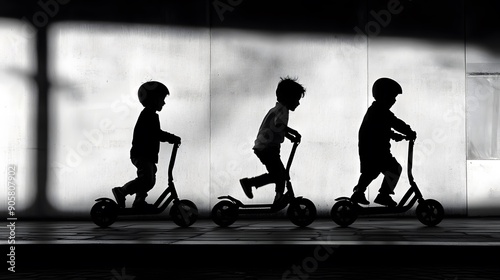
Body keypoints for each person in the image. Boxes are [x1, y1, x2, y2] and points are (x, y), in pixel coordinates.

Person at [112, 81, 181, 209]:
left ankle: (139, 201)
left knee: (147, 179)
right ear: (153, 99)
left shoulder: (150, 114)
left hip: (146, 155)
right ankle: (122, 191)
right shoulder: (148, 115)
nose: (164, 103)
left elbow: (155, 133)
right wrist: (172, 138)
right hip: (142, 154)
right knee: (147, 180)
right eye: (162, 99)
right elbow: (156, 133)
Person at [239, 76, 305, 210]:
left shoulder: (278, 109)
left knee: (280, 174)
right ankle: (252, 184)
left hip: (267, 147)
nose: (298, 103)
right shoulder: (282, 110)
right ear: (288, 98)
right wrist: (294, 133)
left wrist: (288, 136)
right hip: (267, 148)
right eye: (296, 99)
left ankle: (276, 195)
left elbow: (277, 127)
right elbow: (279, 124)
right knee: (280, 175)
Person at [350, 77, 416, 207]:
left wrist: (395, 136)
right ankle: (384, 195)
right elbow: (394, 123)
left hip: (370, 149)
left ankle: (358, 192)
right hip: (377, 150)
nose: (394, 100)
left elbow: (381, 129)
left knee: (370, 172)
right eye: (393, 96)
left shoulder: (375, 111)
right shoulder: (380, 111)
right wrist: (409, 132)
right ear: (384, 95)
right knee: (394, 168)